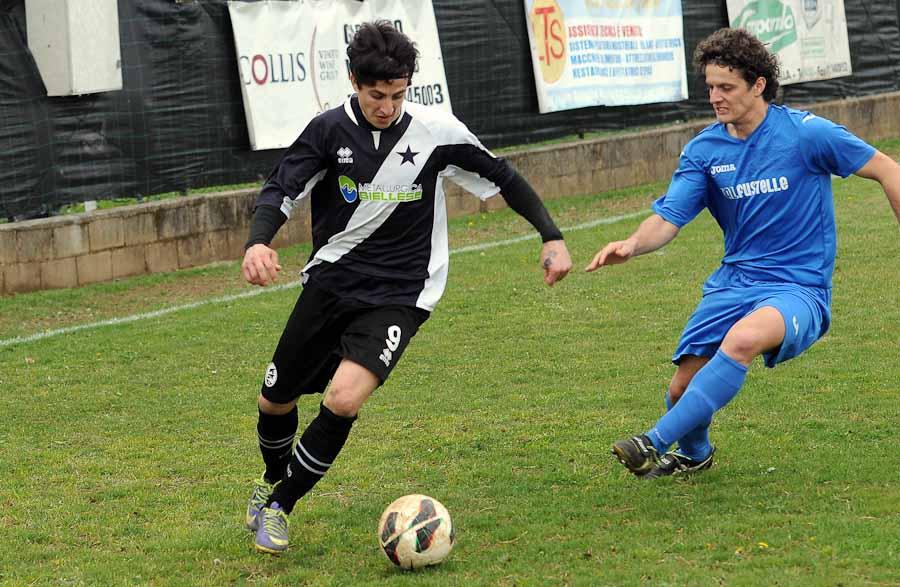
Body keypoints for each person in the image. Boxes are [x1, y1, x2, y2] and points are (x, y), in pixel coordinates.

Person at [240, 20, 572, 553]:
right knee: (275, 400)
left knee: (344, 399)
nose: (387, 106)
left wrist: (550, 237)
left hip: (401, 293)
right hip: (331, 283)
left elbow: (504, 175)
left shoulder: (435, 131)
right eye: (376, 95)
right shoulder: (327, 131)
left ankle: (281, 506)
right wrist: (259, 242)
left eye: (398, 94)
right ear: (353, 81)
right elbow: (281, 188)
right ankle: (270, 479)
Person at [586, 27, 900, 479]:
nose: (715, 96)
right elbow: (669, 218)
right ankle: (695, 454)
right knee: (682, 388)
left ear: (758, 85)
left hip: (798, 287)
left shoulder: (806, 134)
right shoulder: (704, 150)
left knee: (743, 341)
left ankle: (650, 441)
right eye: (710, 86)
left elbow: (887, 168)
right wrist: (633, 244)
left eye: (726, 87)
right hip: (733, 283)